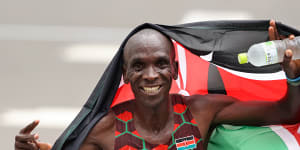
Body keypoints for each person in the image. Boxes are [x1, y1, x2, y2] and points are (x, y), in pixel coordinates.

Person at [15, 20, 300, 150]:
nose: (151, 75)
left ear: (174, 69)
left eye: (161, 64)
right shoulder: (103, 132)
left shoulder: (201, 111)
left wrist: (291, 74)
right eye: (138, 66)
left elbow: (287, 113)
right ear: (124, 74)